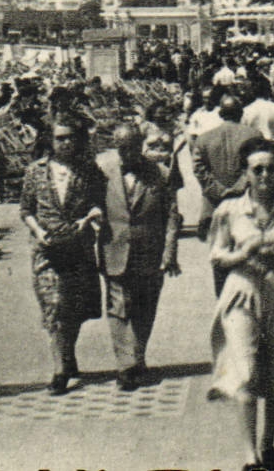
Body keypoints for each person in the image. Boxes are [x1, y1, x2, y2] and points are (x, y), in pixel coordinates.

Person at [208, 138, 274, 471]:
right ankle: (249, 455)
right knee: (247, 372)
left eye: (271, 168)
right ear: (246, 173)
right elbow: (217, 254)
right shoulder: (228, 210)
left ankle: (268, 444)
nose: (266, 175)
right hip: (242, 292)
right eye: (258, 169)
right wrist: (244, 252)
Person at [20, 115, 108, 395]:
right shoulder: (35, 170)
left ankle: (67, 355)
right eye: (60, 138)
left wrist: (89, 219)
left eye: (70, 137)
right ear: (50, 140)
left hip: (78, 248)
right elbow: (26, 210)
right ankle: (60, 370)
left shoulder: (88, 169)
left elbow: (99, 202)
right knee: (54, 306)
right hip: (46, 251)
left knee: (74, 309)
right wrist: (38, 231)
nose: (65, 143)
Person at [96, 122, 182, 391]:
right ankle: (125, 366)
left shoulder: (161, 174)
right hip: (115, 249)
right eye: (121, 149)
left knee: (145, 308)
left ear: (141, 145)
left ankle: (137, 356)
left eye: (131, 148)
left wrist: (170, 253)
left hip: (150, 252)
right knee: (118, 307)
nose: (126, 154)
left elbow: (171, 216)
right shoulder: (103, 173)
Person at [192, 95, 264, 289]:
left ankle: (223, 298)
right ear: (240, 113)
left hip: (215, 203)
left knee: (219, 252)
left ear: (221, 114)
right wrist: (240, 186)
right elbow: (257, 164)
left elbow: (198, 168)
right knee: (249, 251)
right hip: (246, 200)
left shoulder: (204, 139)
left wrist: (218, 190)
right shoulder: (254, 135)